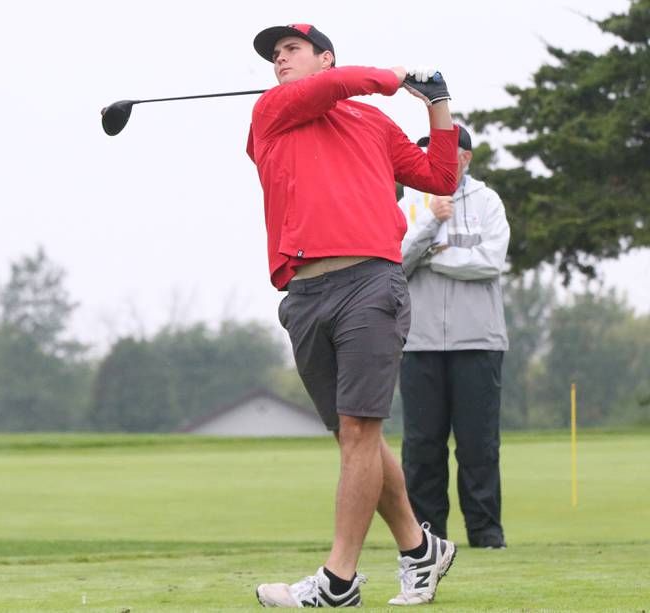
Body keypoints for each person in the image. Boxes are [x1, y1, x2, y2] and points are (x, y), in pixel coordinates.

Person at [246, 24, 459, 607]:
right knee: (353, 434)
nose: (279, 61)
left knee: (361, 430)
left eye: (291, 50)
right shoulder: (274, 112)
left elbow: (439, 177)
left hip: (370, 281)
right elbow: (339, 86)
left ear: (324, 56)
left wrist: (439, 107)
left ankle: (338, 581)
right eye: (274, 55)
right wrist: (396, 77)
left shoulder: (372, 123)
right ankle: (422, 551)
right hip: (306, 295)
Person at [397, 125, 510, 549]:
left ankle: (486, 534)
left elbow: (490, 263)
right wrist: (430, 224)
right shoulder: (408, 202)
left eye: (449, 153)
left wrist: (434, 260)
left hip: (478, 340)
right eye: (430, 153)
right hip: (419, 342)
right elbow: (397, 260)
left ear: (466, 157)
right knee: (422, 447)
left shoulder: (488, 202)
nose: (440, 160)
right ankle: (427, 539)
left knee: (478, 445)